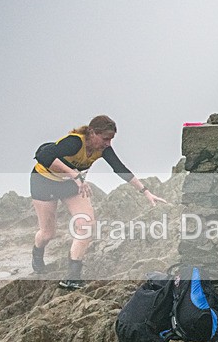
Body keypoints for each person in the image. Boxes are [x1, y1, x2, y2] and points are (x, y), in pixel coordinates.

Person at [31, 115, 166, 289]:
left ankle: (73, 276)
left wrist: (145, 191)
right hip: (44, 182)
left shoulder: (103, 149)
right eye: (105, 139)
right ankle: (37, 253)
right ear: (93, 133)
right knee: (48, 233)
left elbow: (120, 168)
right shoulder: (75, 142)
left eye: (111, 139)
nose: (108, 143)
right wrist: (74, 175)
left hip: (71, 186)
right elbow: (43, 154)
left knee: (86, 225)